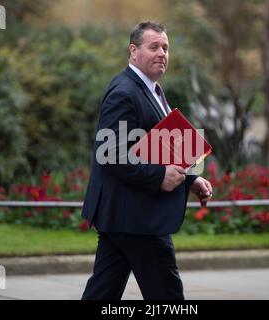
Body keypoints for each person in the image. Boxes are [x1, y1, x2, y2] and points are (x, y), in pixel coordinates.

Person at [81, 21, 212, 300]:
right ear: (133, 51)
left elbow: (162, 147)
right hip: (137, 218)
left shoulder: (152, 89)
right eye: (154, 47)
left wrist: (191, 178)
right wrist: (159, 177)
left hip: (125, 217)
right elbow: (112, 154)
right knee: (168, 295)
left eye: (165, 47)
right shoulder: (123, 91)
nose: (162, 53)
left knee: (102, 293)